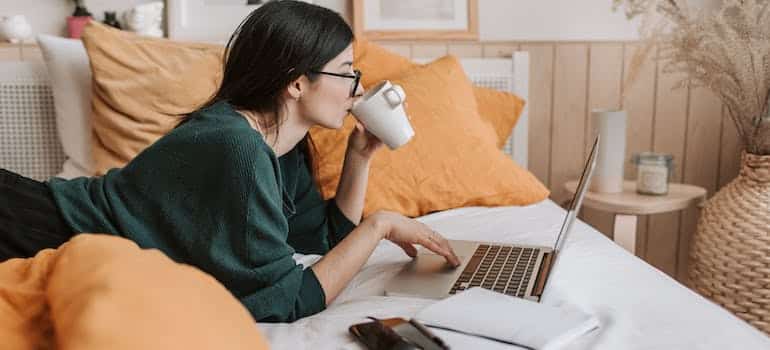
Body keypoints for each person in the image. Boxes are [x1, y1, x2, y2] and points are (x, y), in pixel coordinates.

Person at [0, 0, 459, 322]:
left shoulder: (282, 146)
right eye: (346, 72)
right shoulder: (237, 149)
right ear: (297, 84)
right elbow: (291, 300)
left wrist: (359, 158)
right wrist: (378, 226)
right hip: (38, 228)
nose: (358, 88)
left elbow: (322, 242)